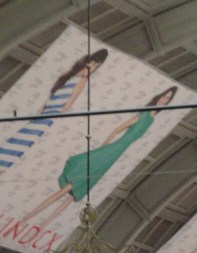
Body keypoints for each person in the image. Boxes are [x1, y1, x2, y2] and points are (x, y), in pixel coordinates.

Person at [24, 86, 178, 225]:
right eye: (164, 96)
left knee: (75, 194)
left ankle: (43, 226)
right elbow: (117, 129)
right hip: (110, 151)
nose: (164, 99)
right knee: (71, 186)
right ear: (159, 97)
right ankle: (28, 218)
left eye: (167, 99)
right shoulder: (143, 115)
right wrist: (103, 148)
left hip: (114, 156)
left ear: (167, 102)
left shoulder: (151, 120)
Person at [0, 49, 108, 172]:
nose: (92, 68)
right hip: (47, 112)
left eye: (96, 67)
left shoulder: (81, 80)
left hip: (51, 114)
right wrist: (44, 108)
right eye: (92, 64)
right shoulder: (70, 77)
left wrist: (58, 111)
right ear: (87, 62)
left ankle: (3, 164)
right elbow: (58, 96)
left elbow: (69, 102)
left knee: (26, 139)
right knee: (23, 136)